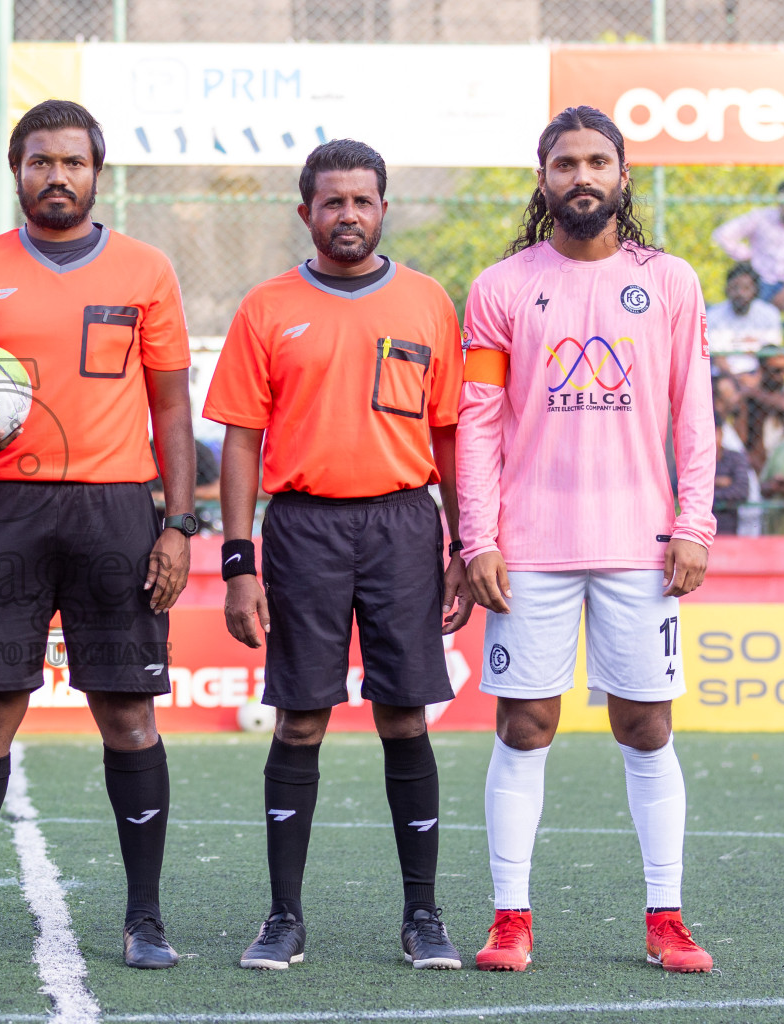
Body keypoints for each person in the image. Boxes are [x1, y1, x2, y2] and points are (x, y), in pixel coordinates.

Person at [0, 99, 196, 972]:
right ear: (18, 172)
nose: (57, 176)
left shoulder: (146, 270)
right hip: (5, 509)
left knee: (127, 713)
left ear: (96, 173)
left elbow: (171, 405)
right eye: (41, 161)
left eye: (73, 162)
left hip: (117, 508)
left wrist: (179, 524)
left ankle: (145, 917)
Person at [204, 139, 471, 973]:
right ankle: (284, 917)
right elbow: (241, 442)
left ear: (383, 208)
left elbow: (451, 437)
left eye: (362, 201)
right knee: (302, 717)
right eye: (332, 202)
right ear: (306, 212)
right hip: (303, 529)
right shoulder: (266, 307)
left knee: (404, 714)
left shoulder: (428, 302)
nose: (348, 215)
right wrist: (239, 561)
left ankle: (423, 916)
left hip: (402, 525)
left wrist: (466, 543)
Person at [459, 106, 715, 974]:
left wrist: (693, 523)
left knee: (645, 726)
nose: (582, 176)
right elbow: (480, 423)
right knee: (526, 725)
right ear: (543, 180)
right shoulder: (500, 287)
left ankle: (667, 917)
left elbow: (696, 415)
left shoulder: (672, 282)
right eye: (565, 162)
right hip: (529, 546)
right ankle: (509, 917)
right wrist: (478, 537)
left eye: (597, 161)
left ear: (623, 176)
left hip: (641, 543)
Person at [712, 182, 784, 310]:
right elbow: (723, 234)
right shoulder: (761, 217)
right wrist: (746, 256)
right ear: (778, 201)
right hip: (762, 281)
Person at [705, 264, 782, 375]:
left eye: (746, 288)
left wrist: (755, 380)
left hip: (760, 375)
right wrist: (737, 380)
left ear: (755, 290)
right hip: (726, 376)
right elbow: (718, 358)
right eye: (735, 287)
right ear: (727, 289)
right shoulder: (713, 315)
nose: (740, 293)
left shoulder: (769, 314)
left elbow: (772, 353)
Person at [713, 412, 751, 536]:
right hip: (695, 530)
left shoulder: (735, 458)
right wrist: (717, 481)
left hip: (726, 531)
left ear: (721, 433)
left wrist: (704, 492)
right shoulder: (692, 458)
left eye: (713, 432)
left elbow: (741, 490)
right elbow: (677, 485)